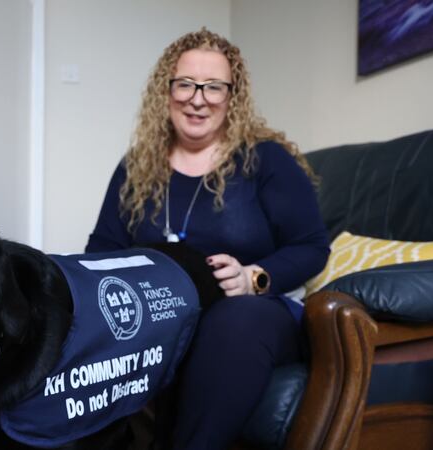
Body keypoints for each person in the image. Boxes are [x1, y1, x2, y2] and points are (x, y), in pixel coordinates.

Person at [85, 28, 330, 449]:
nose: (198, 98)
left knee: (233, 318)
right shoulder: (136, 167)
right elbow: (102, 252)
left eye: (213, 87)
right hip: (162, 319)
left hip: (253, 314)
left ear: (231, 97)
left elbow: (312, 246)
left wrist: (254, 276)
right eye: (186, 84)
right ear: (167, 91)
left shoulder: (265, 159)